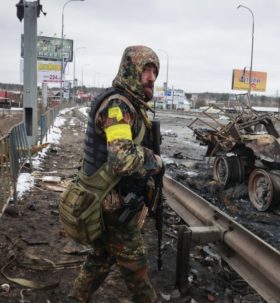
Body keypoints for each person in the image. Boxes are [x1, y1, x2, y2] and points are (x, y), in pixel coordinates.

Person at [68, 45, 163, 303]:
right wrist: (155, 160)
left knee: (102, 256)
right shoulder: (117, 106)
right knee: (135, 265)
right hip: (110, 203)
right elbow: (122, 159)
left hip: (109, 199)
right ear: (130, 70)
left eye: (155, 71)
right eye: (146, 70)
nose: (152, 77)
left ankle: (77, 297)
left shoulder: (130, 104)